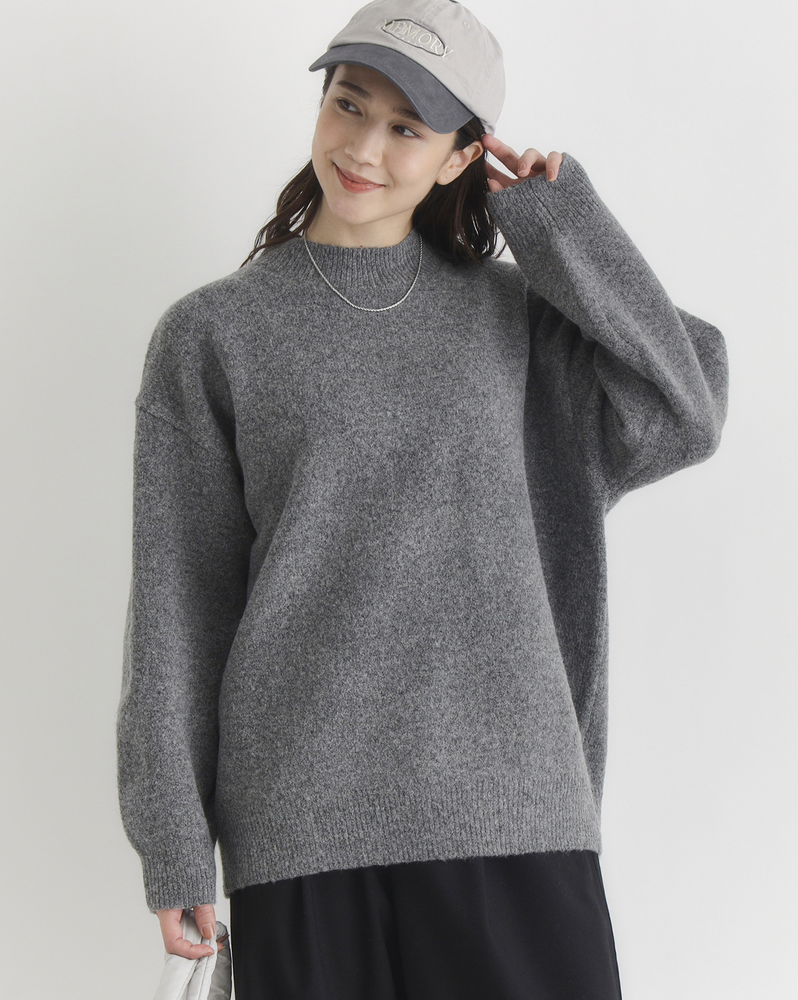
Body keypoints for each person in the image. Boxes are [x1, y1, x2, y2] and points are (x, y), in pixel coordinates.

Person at [116, 1, 729, 997]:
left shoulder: (518, 320)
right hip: (303, 823)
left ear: (461, 157)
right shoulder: (214, 336)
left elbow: (684, 407)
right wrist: (174, 841)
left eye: (407, 127)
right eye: (348, 104)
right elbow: (176, 604)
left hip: (512, 810)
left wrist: (561, 225)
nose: (363, 147)